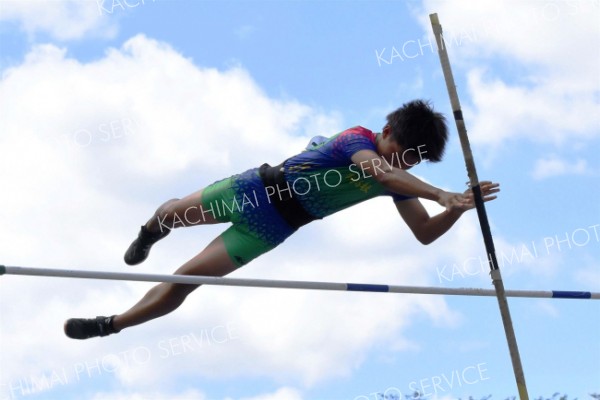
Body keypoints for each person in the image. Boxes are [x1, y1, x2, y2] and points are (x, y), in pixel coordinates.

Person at [64, 100, 500, 339]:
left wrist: (457, 208)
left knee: (184, 280)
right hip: (252, 190)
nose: (407, 165)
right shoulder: (356, 141)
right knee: (168, 215)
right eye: (405, 154)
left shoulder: (397, 180)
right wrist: (442, 192)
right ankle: (148, 233)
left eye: (416, 162)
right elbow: (378, 169)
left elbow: (424, 234)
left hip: (272, 227)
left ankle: (111, 325)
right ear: (387, 131)